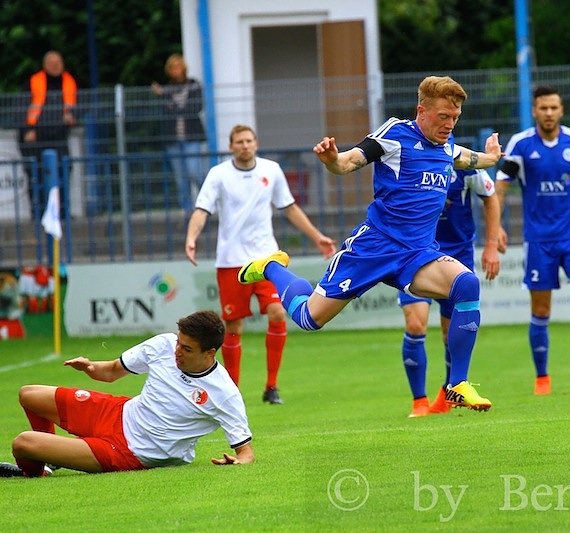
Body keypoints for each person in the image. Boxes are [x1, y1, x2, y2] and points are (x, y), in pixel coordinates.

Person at [238, 76, 502, 411]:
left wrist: (492, 156)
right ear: (422, 111)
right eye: (442, 117)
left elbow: (472, 159)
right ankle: (272, 267)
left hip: (417, 255)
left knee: (466, 284)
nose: (449, 125)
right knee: (308, 318)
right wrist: (331, 159)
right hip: (374, 248)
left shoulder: (448, 148)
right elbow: (348, 163)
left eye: (454, 118)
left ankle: (457, 385)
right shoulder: (395, 135)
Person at [0, 310, 254, 478]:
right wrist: (90, 366)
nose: (177, 350)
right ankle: (47, 460)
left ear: (209, 353)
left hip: (128, 451)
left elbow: (246, 451)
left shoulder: (225, 393)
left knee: (23, 443)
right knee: (29, 395)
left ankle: (36, 471)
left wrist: (240, 461)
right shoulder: (163, 345)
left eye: (186, 349)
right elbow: (111, 371)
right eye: (178, 342)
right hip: (118, 412)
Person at [185, 124, 336, 404]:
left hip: (267, 259)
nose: (245, 145)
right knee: (233, 328)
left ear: (256, 143)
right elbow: (202, 209)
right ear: (231, 146)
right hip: (231, 261)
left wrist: (317, 237)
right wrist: (192, 237)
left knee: (279, 314)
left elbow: (289, 207)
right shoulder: (218, 175)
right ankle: (233, 392)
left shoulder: (271, 170)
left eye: (249, 140)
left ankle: (272, 386)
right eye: (239, 141)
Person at [495, 85, 570, 396]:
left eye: (554, 108)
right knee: (541, 311)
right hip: (539, 240)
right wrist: (497, 226)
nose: (549, 113)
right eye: (543, 108)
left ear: (561, 110)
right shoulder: (521, 144)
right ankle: (542, 377)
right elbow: (501, 187)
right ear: (535, 111)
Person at [402, 167, 502, 417]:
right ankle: (419, 402)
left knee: (450, 334)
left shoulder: (467, 165)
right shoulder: (408, 161)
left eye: (451, 124)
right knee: (415, 324)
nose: (446, 126)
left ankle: (449, 393)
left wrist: (491, 245)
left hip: (455, 257)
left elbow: (491, 197)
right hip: (415, 254)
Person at [18, 50, 77, 220]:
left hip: (59, 136)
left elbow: (78, 105)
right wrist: (26, 130)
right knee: (36, 175)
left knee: (63, 172)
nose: (55, 66)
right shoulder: (34, 81)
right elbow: (20, 108)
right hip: (36, 137)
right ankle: (39, 213)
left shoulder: (69, 81)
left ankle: (62, 212)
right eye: (52, 63)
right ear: (45, 65)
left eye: (58, 62)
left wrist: (73, 117)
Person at [152, 53, 207, 214]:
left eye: (178, 67)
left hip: (191, 137)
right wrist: (172, 104)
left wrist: (173, 106)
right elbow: (165, 110)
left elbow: (195, 108)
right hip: (173, 139)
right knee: (180, 179)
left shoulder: (193, 85)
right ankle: (187, 213)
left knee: (194, 172)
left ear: (183, 68)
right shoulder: (166, 89)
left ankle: (206, 206)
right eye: (172, 68)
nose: (175, 70)